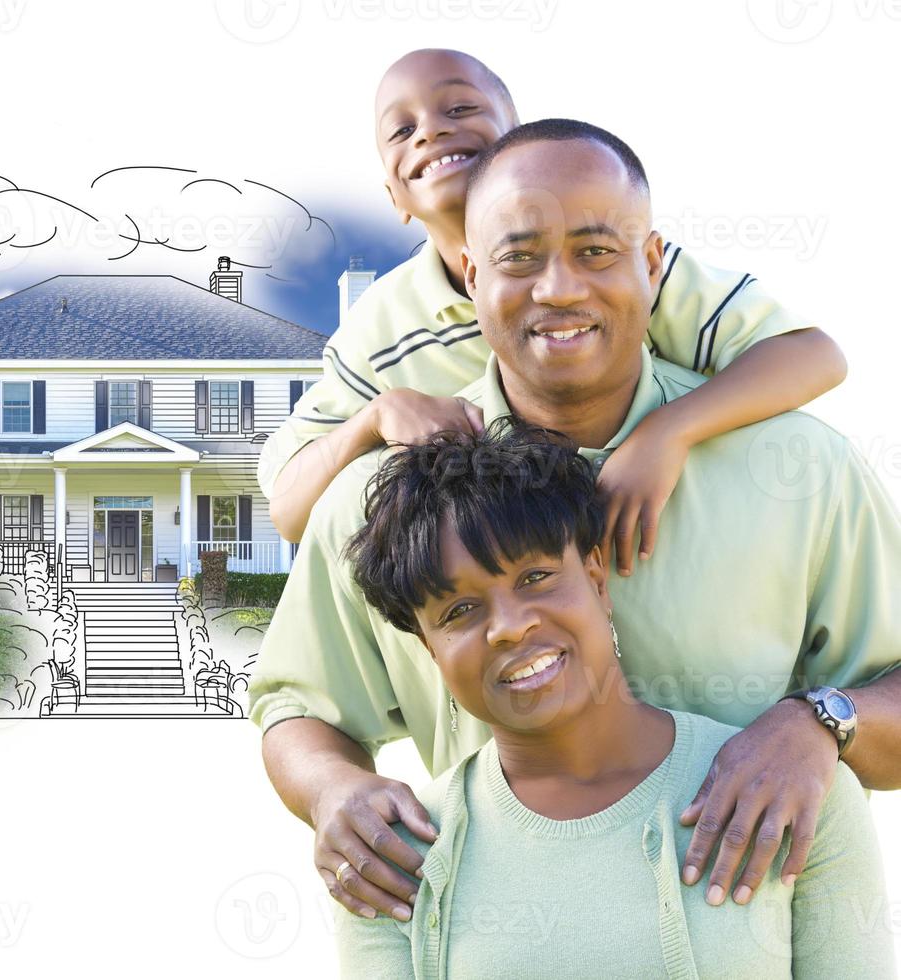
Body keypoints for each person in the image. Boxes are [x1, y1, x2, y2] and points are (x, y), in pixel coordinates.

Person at [247, 118, 901, 927]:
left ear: (652, 263)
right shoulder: (379, 501)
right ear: (469, 271)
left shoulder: (801, 470)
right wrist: (333, 791)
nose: (557, 288)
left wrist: (820, 723)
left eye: (595, 251)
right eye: (519, 258)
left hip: (750, 942)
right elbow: (297, 705)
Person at [259, 49, 847, 587]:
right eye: (402, 129)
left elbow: (813, 355)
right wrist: (376, 417)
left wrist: (669, 431)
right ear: (393, 195)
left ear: (520, 141)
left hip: (668, 549)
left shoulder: (622, 267)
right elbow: (289, 509)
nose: (432, 130)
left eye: (460, 107)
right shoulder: (382, 326)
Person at [331, 418, 893, 978]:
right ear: (431, 652)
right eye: (458, 611)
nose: (508, 626)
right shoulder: (390, 857)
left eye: (535, 577)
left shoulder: (791, 789)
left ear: (598, 580)